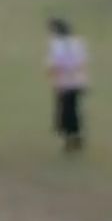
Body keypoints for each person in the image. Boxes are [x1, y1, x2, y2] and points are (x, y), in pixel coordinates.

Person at [45, 18, 88, 153]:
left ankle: (69, 139)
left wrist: (53, 79)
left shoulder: (57, 45)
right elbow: (82, 62)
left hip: (64, 83)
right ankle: (76, 136)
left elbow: (54, 65)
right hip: (78, 82)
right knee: (73, 110)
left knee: (64, 112)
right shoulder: (77, 43)